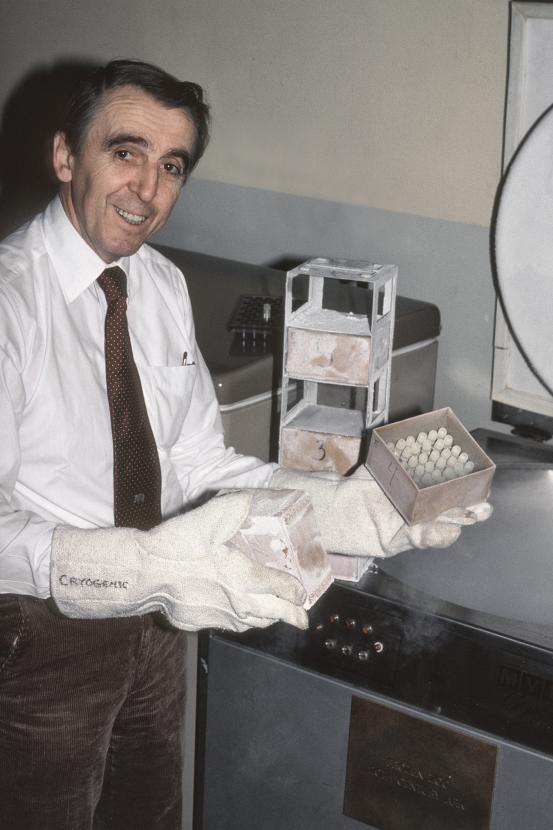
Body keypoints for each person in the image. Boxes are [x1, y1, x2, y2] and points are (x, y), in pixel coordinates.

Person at [0, 59, 491, 829]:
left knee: (148, 812)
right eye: (124, 152)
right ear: (66, 155)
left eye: (171, 167)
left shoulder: (157, 284)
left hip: (161, 623)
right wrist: (141, 567)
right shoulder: (8, 301)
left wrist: (346, 510)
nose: (147, 191)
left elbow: (196, 462)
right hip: (42, 639)